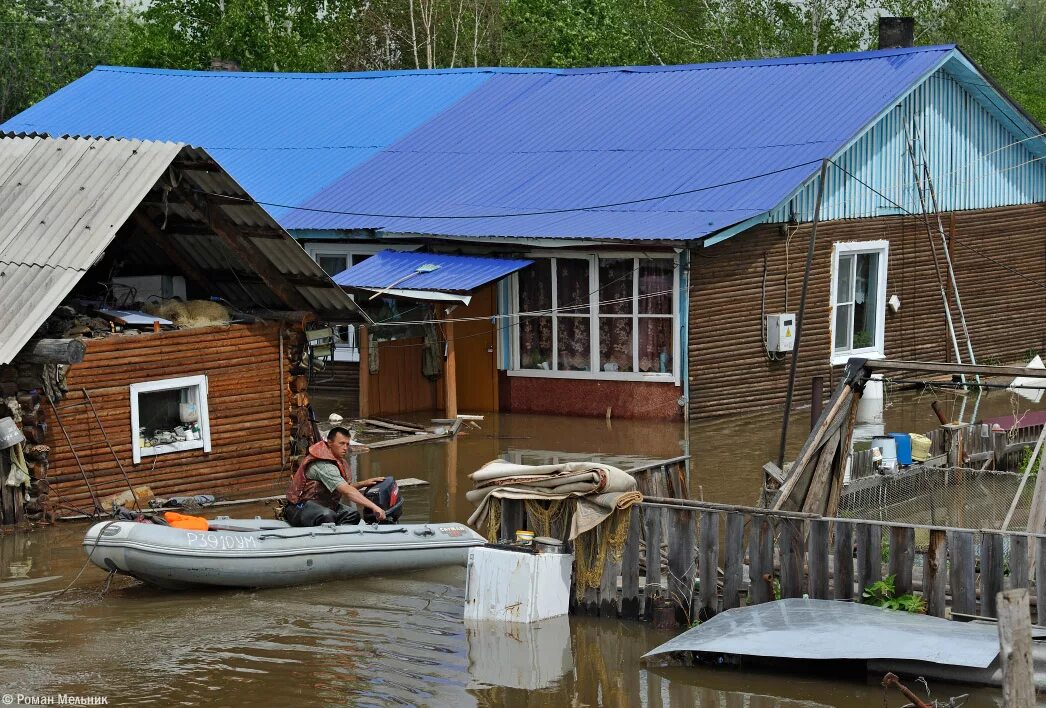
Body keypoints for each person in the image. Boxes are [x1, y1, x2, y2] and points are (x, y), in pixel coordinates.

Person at [284, 426, 386, 526]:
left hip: (323, 506)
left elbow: (342, 487)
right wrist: (374, 507)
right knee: (327, 515)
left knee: (352, 515)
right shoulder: (323, 464)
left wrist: (364, 483)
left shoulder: (338, 461)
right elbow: (347, 491)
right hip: (299, 508)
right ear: (329, 442)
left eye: (347, 444)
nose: (345, 448)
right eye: (341, 443)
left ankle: (341, 538)